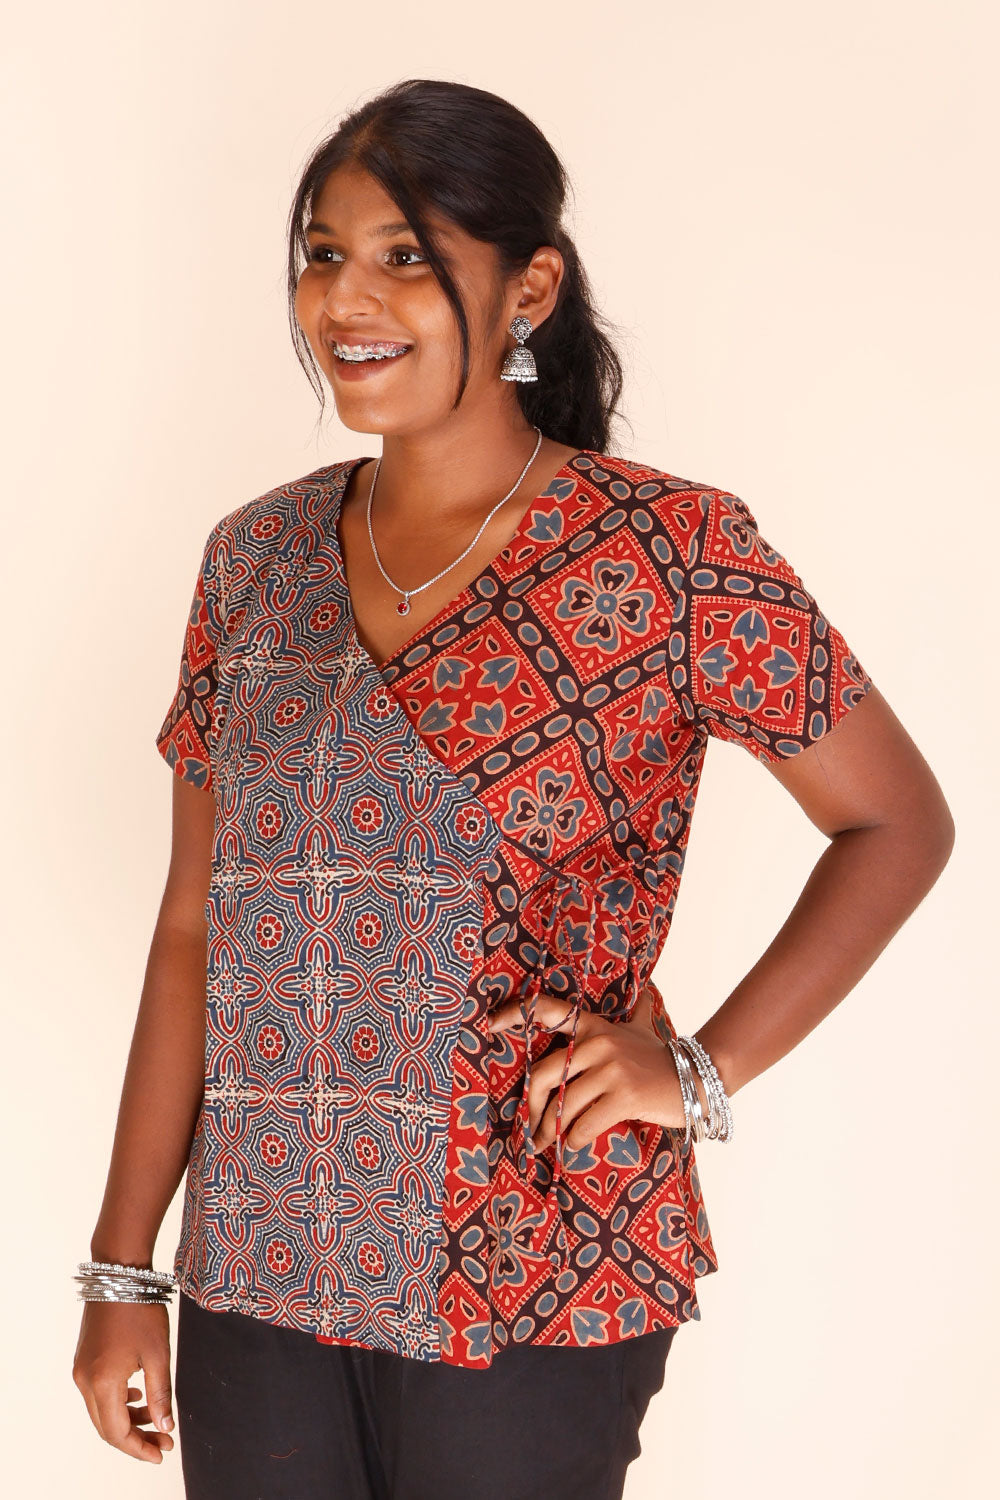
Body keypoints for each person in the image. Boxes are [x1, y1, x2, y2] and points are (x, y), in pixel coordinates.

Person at [71, 78, 954, 1500]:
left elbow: (897, 821)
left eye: (405, 256)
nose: (345, 297)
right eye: (321, 252)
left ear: (528, 287)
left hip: (534, 1257)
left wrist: (699, 1072)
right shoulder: (255, 562)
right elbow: (195, 930)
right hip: (261, 1259)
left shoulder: (670, 552)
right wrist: (124, 1266)